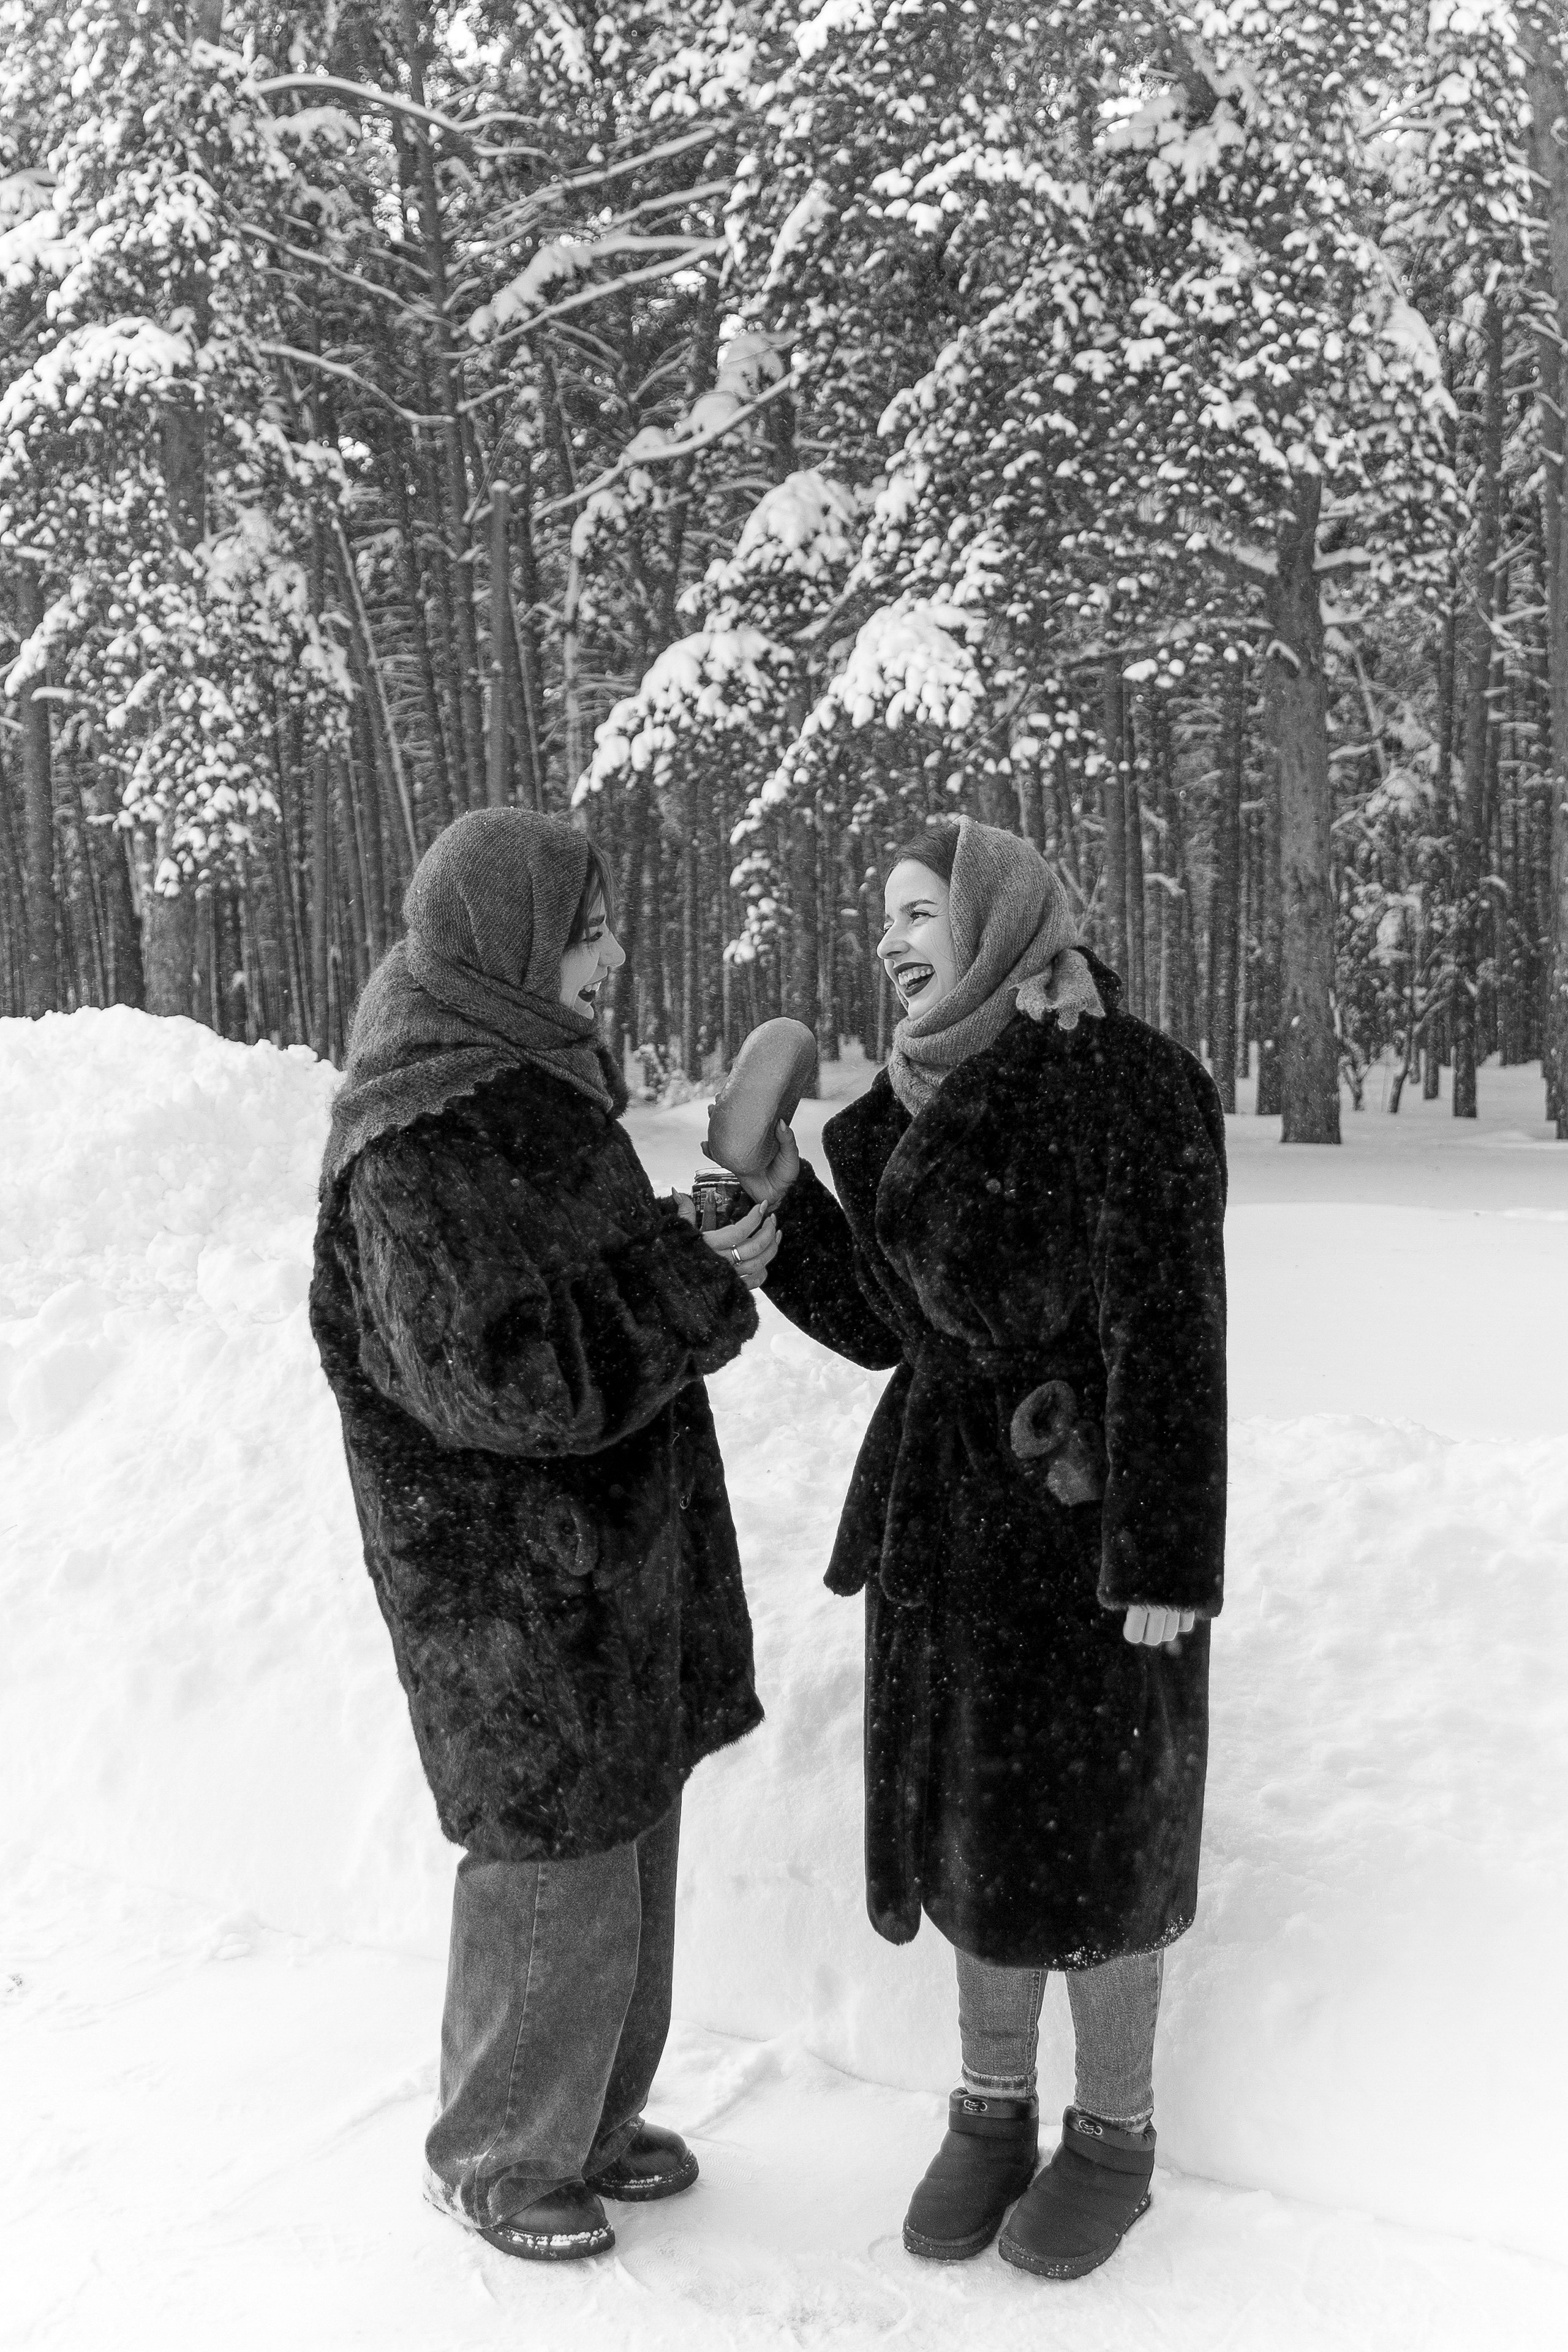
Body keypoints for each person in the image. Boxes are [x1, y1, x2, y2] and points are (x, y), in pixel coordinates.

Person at [745, 813, 1226, 2280]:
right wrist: (782, 1235)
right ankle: (989, 2107)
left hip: (1083, 1528)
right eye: (879, 917)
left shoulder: (1126, 1085)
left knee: (1105, 1833)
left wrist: (1160, 1557)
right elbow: (905, 1335)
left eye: (918, 910)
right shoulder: (885, 1111)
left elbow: (1171, 1328)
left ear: (1001, 918)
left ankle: (1116, 2133)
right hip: (946, 1533)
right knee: (971, 1814)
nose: (890, 937)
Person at [309, 807, 778, 2264]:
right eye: (585, 930)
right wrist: (690, 1283)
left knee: (627, 1846)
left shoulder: (528, 1080)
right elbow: (508, 1376)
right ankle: (496, 2153)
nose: (612, 953)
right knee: (554, 1867)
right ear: (505, 943)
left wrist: (682, 1240)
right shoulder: (416, 1132)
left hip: (605, 1568)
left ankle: (582, 2121)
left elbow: (581, 1282)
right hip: (507, 1591)